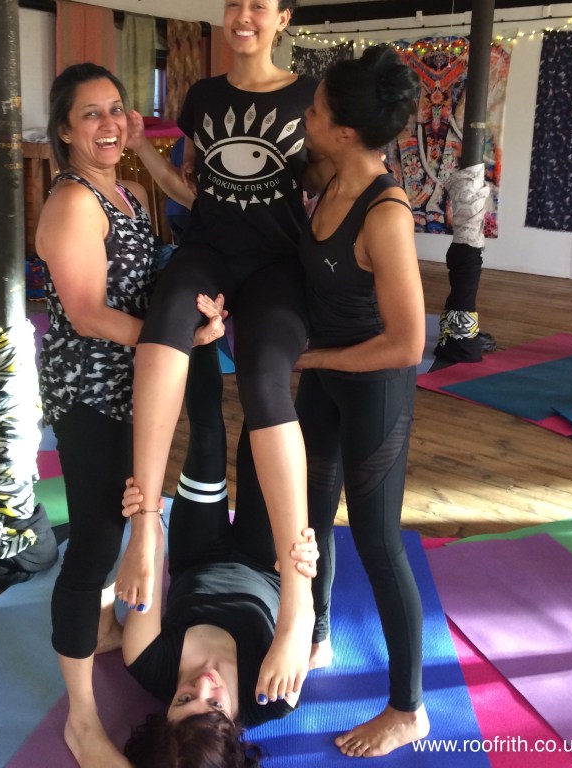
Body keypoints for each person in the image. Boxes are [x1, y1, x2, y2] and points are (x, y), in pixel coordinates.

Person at [117, 0, 326, 709]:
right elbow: (194, 191)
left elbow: (329, 192)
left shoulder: (309, 98)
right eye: (233, 2)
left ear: (283, 18)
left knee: (268, 375)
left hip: (275, 265)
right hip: (209, 251)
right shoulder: (203, 96)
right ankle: (145, 525)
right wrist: (140, 148)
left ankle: (298, 597)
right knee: (167, 316)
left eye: (257, 5)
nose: (241, 16)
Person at [34, 63, 225, 768]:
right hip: (88, 386)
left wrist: (191, 319)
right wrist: (173, 338)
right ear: (64, 130)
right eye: (91, 114)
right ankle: (81, 721)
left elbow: (148, 279)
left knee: (117, 517)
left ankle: (104, 629)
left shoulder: (131, 190)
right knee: (94, 541)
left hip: (132, 379)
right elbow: (87, 313)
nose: (109, 123)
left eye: (116, 108)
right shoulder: (72, 201)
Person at [294, 46, 431, 757]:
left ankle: (409, 709)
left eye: (316, 110)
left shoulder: (385, 213)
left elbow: (407, 344)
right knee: (312, 514)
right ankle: (316, 635)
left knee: (377, 541)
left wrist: (312, 358)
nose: (306, 115)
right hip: (322, 379)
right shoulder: (326, 176)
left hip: (373, 386)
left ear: (344, 131)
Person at [120, 342, 318, 768]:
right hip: (265, 564)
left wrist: (142, 513)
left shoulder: (147, 662)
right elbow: (302, 604)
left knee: (207, 437)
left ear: (165, 715)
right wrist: (303, 564)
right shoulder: (274, 695)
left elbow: (150, 554)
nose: (204, 682)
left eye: (184, 698)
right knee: (260, 441)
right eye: (214, 703)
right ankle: (270, 342)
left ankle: (206, 335)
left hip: (197, 553)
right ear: (234, 727)